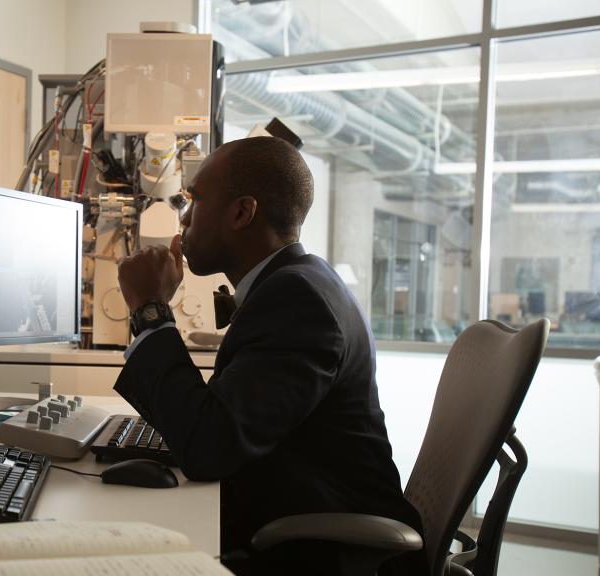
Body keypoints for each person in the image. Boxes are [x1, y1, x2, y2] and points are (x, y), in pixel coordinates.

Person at [115, 136, 421, 573]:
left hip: (317, 553)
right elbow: (221, 421)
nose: (183, 216)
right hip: (296, 516)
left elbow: (209, 447)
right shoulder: (298, 281)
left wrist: (150, 310)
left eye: (195, 200)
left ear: (242, 212)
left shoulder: (297, 299)